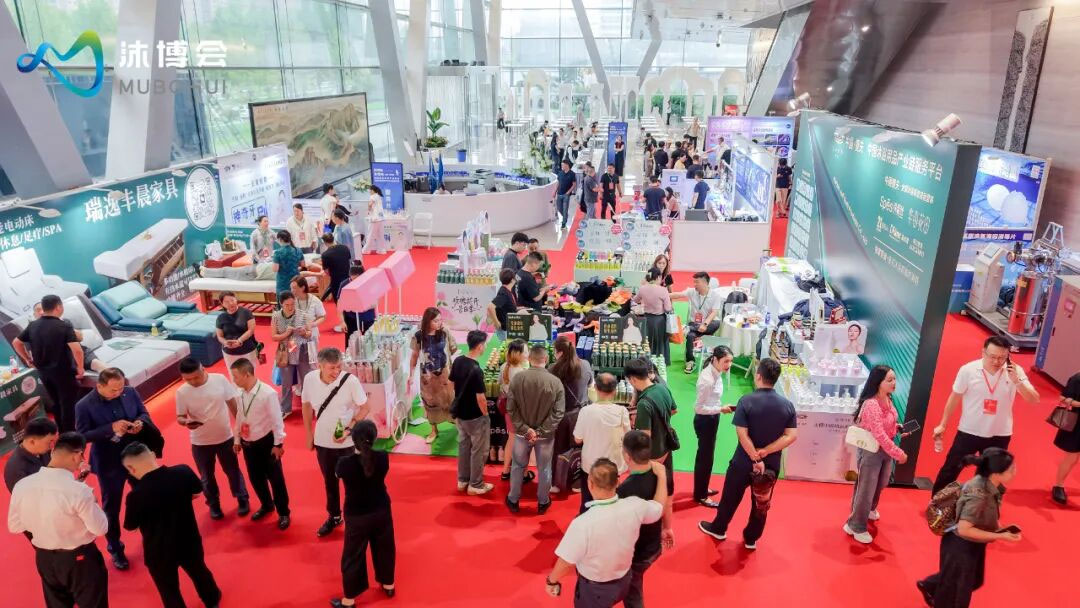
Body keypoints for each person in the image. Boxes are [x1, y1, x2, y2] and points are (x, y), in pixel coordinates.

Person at [699, 359, 797, 550]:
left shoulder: (746, 400)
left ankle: (719, 528)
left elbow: (742, 433)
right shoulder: (787, 405)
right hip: (770, 464)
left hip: (743, 462)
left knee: (730, 496)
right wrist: (766, 451)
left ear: (758, 376)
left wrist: (754, 455)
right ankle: (751, 538)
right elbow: (791, 436)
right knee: (761, 503)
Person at [545, 458, 667, 607]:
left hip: (595, 591)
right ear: (618, 482)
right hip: (625, 580)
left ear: (590, 484)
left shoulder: (583, 523)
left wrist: (551, 580)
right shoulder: (634, 505)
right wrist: (662, 476)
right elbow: (658, 508)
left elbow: (566, 562)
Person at [7, 432, 109, 608]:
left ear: (53, 451)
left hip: (45, 560)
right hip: (79, 561)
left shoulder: (22, 485)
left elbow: (14, 526)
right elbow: (100, 528)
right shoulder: (80, 492)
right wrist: (92, 502)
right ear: (77, 455)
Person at [931, 336, 1039, 494]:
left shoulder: (1015, 371)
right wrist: (943, 424)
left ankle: (982, 504)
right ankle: (937, 502)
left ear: (1008, 355)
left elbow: (1034, 399)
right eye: (992, 356)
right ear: (983, 352)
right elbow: (955, 397)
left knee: (990, 476)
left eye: (1002, 357)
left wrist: (1017, 381)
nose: (996, 361)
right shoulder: (968, 370)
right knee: (951, 469)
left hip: (1000, 434)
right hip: (969, 430)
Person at [121, 442, 221, 608]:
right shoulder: (182, 472)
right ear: (153, 455)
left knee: (168, 590)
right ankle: (212, 600)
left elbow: (131, 526)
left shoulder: (135, 496)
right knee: (200, 572)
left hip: (159, 551)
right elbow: (197, 491)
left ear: (131, 468)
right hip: (188, 539)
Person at [917, 448, 1021, 608]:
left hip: (970, 544)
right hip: (960, 546)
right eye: (1011, 468)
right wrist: (1000, 536)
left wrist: (999, 528)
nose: (1015, 471)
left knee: (972, 581)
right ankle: (935, 589)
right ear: (996, 473)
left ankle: (931, 586)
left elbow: (981, 517)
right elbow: (964, 529)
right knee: (956, 595)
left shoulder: (989, 483)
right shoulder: (979, 495)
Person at [74, 368, 155, 570]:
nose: (119, 393)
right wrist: (110, 428)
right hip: (109, 461)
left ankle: (152, 535)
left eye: (121, 388)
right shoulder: (84, 405)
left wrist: (140, 422)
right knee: (112, 507)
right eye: (113, 390)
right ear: (99, 386)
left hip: (136, 455)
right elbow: (82, 436)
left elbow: (144, 413)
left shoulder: (130, 391)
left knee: (147, 496)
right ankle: (115, 548)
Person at [302, 347, 370, 538]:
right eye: (332, 368)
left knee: (352, 482)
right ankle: (334, 516)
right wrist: (309, 433)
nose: (336, 372)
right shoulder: (309, 379)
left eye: (339, 367)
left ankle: (355, 517)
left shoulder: (350, 381)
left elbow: (365, 407)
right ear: (320, 366)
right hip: (322, 441)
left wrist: (349, 429)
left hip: (346, 443)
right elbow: (306, 406)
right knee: (329, 482)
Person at [175, 357, 249, 520]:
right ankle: (213, 504)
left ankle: (242, 498)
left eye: (196, 377)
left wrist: (240, 429)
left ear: (203, 369)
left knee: (232, 471)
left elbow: (233, 404)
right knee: (206, 477)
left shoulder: (219, 380)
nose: (193, 382)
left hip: (225, 437)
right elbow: (180, 416)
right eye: (188, 379)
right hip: (200, 442)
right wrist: (185, 422)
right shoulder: (182, 392)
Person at [333, 420, 396, 607]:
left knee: (353, 555)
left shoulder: (344, 464)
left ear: (353, 440)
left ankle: (349, 599)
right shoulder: (383, 457)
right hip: (381, 510)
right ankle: (389, 584)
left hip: (357, 515)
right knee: (385, 547)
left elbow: (336, 475)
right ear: (375, 438)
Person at [843, 365, 908, 544]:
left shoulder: (888, 398)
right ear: (878, 382)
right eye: (889, 380)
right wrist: (898, 453)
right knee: (867, 488)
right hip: (872, 451)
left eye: (894, 379)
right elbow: (878, 433)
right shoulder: (872, 404)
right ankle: (855, 525)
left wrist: (897, 428)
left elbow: (886, 423)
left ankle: (869, 509)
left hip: (885, 449)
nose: (894, 383)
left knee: (881, 482)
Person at [230, 358, 291, 530]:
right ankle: (266, 505)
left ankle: (283, 512)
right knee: (255, 478)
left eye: (236, 377)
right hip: (248, 443)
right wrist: (237, 439)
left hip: (266, 443)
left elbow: (277, 421)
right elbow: (240, 416)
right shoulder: (239, 392)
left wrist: (278, 445)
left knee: (276, 480)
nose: (234, 380)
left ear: (247, 374)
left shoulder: (267, 394)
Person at [618, 430, 675, 608]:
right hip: (653, 545)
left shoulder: (624, 490)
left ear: (627, 456)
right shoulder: (662, 473)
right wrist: (667, 528)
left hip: (635, 553)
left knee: (632, 593)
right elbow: (668, 504)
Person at [506, 345, 565, 514]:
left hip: (521, 434)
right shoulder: (555, 382)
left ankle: (513, 499)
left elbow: (511, 408)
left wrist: (526, 430)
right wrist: (539, 432)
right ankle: (543, 501)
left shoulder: (518, 379)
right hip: (545, 436)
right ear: (545, 359)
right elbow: (558, 412)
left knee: (518, 466)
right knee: (544, 468)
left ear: (529, 359)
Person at [13, 294, 83, 432]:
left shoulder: (33, 325)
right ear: (58, 307)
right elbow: (77, 350)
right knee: (68, 405)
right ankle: (69, 435)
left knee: (56, 402)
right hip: (63, 372)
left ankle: (62, 431)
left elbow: (16, 342)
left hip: (44, 373)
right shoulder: (64, 325)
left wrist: (27, 358)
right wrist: (80, 368)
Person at [573, 373, 630, 512]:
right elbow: (627, 437)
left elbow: (578, 439)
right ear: (615, 391)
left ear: (595, 388)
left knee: (587, 502)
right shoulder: (622, 411)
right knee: (612, 502)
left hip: (590, 465)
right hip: (613, 466)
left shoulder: (586, 411)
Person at [624, 358, 678, 501]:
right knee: (667, 491)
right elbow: (674, 410)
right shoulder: (662, 388)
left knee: (650, 497)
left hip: (653, 456)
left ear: (633, 379)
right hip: (666, 447)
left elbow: (644, 437)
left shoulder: (644, 403)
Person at [451, 330, 494, 496]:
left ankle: (462, 480)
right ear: (480, 346)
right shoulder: (476, 369)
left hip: (460, 414)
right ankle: (475, 484)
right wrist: (486, 415)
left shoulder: (458, 361)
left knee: (463, 446)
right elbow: (481, 398)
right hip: (475, 416)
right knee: (479, 450)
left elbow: (451, 384)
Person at [693, 345, 736, 507]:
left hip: (712, 417)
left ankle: (702, 488)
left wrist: (719, 408)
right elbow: (698, 408)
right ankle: (701, 495)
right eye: (726, 361)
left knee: (707, 457)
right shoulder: (707, 380)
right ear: (715, 360)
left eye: (730, 361)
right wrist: (720, 409)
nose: (729, 365)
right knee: (705, 459)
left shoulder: (716, 372)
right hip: (705, 420)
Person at [410, 307, 458, 444]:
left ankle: (457, 425)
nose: (439, 323)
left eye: (440, 320)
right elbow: (414, 356)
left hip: (445, 375)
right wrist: (411, 374)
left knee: (450, 399)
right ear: (428, 321)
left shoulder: (445, 332)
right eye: (436, 321)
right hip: (427, 378)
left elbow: (453, 348)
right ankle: (433, 430)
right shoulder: (419, 336)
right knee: (430, 402)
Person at [670, 272, 724, 373]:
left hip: (709, 324)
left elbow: (714, 312)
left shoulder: (715, 296)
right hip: (695, 323)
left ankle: (686, 328)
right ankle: (690, 361)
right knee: (690, 336)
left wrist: (705, 324)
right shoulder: (692, 292)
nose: (694, 284)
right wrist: (661, 294)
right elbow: (678, 295)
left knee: (716, 323)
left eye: (697, 282)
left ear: (705, 283)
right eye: (694, 282)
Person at [272, 291, 315, 416]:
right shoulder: (276, 316)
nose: (291, 307)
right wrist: (286, 334)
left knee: (306, 379)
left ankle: (310, 406)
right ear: (281, 304)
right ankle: (285, 409)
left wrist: (304, 333)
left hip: (302, 349)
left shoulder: (303, 315)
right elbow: (274, 336)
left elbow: (309, 333)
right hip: (285, 351)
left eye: (293, 304)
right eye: (287, 305)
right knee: (286, 382)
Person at [498, 340, 529, 482]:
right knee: (524, 442)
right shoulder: (522, 372)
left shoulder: (504, 367)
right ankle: (524, 473)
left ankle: (505, 471)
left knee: (511, 439)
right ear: (518, 354)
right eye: (526, 351)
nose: (528, 354)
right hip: (521, 411)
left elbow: (500, 385)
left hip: (508, 409)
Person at [4, 417, 58, 492]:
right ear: (32, 442)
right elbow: (23, 497)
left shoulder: (43, 450)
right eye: (49, 442)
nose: (52, 446)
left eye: (54, 441)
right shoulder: (16, 470)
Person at [632, 269, 673, 365]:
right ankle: (660, 362)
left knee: (647, 341)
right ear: (658, 277)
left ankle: (646, 361)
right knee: (659, 342)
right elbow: (668, 308)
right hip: (659, 320)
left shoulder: (642, 288)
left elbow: (635, 300)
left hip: (646, 319)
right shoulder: (663, 290)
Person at [1052, 372, 1080, 505]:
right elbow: (1063, 398)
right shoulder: (1077, 379)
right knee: (1072, 457)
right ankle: (1059, 485)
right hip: (1077, 423)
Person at [215, 291, 259, 371]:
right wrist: (225, 342)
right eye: (226, 302)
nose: (230, 303)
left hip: (247, 349)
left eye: (232, 300)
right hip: (229, 352)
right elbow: (219, 336)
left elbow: (251, 330)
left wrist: (239, 341)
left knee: (250, 373)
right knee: (233, 375)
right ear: (222, 304)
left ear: (236, 299)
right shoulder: (221, 317)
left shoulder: (246, 312)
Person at [550, 336, 594, 413]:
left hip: (561, 413)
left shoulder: (553, 369)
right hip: (582, 411)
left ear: (560, 353)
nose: (554, 354)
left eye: (554, 351)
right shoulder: (586, 364)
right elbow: (590, 385)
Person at [341, 265, 376, 347]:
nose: (354, 282)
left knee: (369, 343)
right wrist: (342, 321)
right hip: (351, 319)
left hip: (368, 319)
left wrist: (361, 307)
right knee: (351, 344)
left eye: (357, 279)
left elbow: (374, 303)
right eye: (352, 279)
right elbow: (341, 304)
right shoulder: (345, 284)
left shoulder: (370, 284)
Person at [272, 229, 306, 299]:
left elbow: (275, 269)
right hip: (296, 280)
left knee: (284, 302)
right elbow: (303, 265)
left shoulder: (278, 252)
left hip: (283, 282)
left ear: (280, 239)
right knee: (297, 301)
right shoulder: (298, 250)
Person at [320, 233, 353, 303]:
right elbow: (349, 260)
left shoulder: (325, 255)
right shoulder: (345, 248)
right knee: (349, 300)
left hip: (336, 281)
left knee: (338, 301)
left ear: (324, 242)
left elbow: (326, 271)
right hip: (348, 278)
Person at [487, 269, 519, 341]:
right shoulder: (504, 293)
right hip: (504, 329)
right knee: (506, 346)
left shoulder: (506, 290)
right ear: (512, 280)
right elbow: (490, 307)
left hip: (508, 326)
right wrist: (496, 322)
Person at [362, 186, 386, 255]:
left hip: (375, 219)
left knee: (370, 235)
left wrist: (368, 209)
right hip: (381, 218)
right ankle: (381, 250)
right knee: (380, 235)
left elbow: (370, 204)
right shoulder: (379, 196)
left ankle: (366, 250)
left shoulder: (372, 196)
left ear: (372, 190)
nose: (369, 191)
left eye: (369, 190)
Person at [556, 160, 577, 229]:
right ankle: (566, 216)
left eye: (563, 165)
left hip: (566, 195)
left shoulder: (572, 174)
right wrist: (554, 191)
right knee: (559, 208)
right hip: (559, 194)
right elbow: (558, 183)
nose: (561, 166)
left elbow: (574, 184)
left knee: (565, 209)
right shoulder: (560, 173)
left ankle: (564, 223)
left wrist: (568, 192)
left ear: (567, 165)